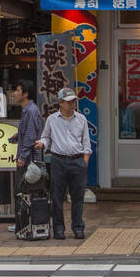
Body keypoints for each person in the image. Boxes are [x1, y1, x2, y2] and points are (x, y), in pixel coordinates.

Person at [35, 87, 92, 242]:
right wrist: (42, 144)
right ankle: (59, 228)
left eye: (73, 101)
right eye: (68, 102)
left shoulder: (81, 119)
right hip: (58, 160)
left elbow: (86, 142)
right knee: (57, 197)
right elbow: (46, 137)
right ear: (60, 103)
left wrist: (84, 160)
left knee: (78, 197)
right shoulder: (52, 120)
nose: (72, 104)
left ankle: (78, 227)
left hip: (77, 160)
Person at [8, 79, 42, 233]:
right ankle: (22, 222)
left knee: (23, 191)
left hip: (28, 161)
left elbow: (30, 135)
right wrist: (16, 137)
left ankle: (23, 223)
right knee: (23, 192)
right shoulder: (28, 110)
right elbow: (27, 133)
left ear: (25, 94)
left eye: (18, 90)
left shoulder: (31, 110)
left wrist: (23, 156)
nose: (15, 93)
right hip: (27, 158)